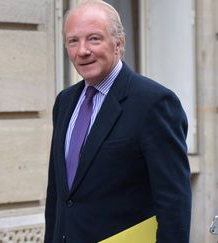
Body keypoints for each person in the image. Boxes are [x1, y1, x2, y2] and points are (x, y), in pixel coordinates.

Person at [44, 1, 191, 242]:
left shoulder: (153, 102)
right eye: (73, 41)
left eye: (94, 39)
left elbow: (174, 201)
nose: (82, 50)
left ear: (118, 44)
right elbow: (57, 196)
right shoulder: (65, 102)